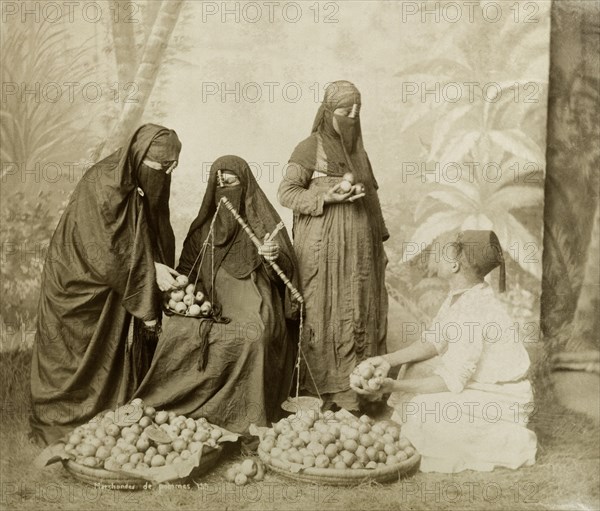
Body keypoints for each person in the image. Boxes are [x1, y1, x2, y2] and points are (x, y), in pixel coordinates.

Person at [30, 124, 182, 445]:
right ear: (139, 158)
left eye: (173, 167)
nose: (166, 174)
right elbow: (108, 252)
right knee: (73, 352)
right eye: (161, 167)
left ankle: (116, 407)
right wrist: (151, 271)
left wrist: (158, 268)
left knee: (116, 352)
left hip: (112, 279)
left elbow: (143, 236)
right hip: (77, 281)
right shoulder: (101, 185)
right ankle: (66, 414)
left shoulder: (140, 185)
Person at [133, 155, 298, 437]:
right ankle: (173, 411)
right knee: (177, 331)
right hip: (207, 301)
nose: (225, 191)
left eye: (231, 184)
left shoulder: (262, 227)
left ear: (245, 187)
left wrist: (273, 257)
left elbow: (284, 276)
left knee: (253, 336)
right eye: (219, 185)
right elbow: (186, 270)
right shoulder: (203, 231)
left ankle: (244, 419)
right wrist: (181, 294)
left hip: (252, 298)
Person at [352, 230, 538, 473]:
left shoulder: (474, 310)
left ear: (454, 265)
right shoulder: (461, 296)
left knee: (421, 414)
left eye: (443, 250)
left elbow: (451, 380)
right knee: (413, 367)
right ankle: (422, 431)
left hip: (502, 397)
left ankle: (511, 438)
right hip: (479, 385)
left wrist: (392, 387)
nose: (436, 254)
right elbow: (433, 342)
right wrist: (385, 360)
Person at [277, 80, 389, 412]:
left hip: (360, 253)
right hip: (321, 252)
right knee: (323, 311)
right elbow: (287, 193)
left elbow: (373, 201)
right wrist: (327, 194)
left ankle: (356, 395)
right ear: (328, 112)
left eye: (358, 110)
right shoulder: (309, 147)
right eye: (345, 110)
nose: (353, 116)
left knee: (357, 310)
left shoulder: (360, 154)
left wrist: (380, 241)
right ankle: (320, 395)